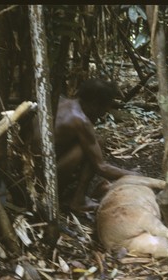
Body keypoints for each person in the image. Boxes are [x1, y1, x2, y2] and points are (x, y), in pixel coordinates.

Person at [55, 78, 139, 213]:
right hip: (46, 175)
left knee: (90, 143)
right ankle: (79, 200)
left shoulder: (61, 101)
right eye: (106, 106)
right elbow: (101, 167)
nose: (105, 112)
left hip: (36, 169)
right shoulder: (80, 120)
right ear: (95, 104)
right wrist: (134, 175)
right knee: (95, 145)